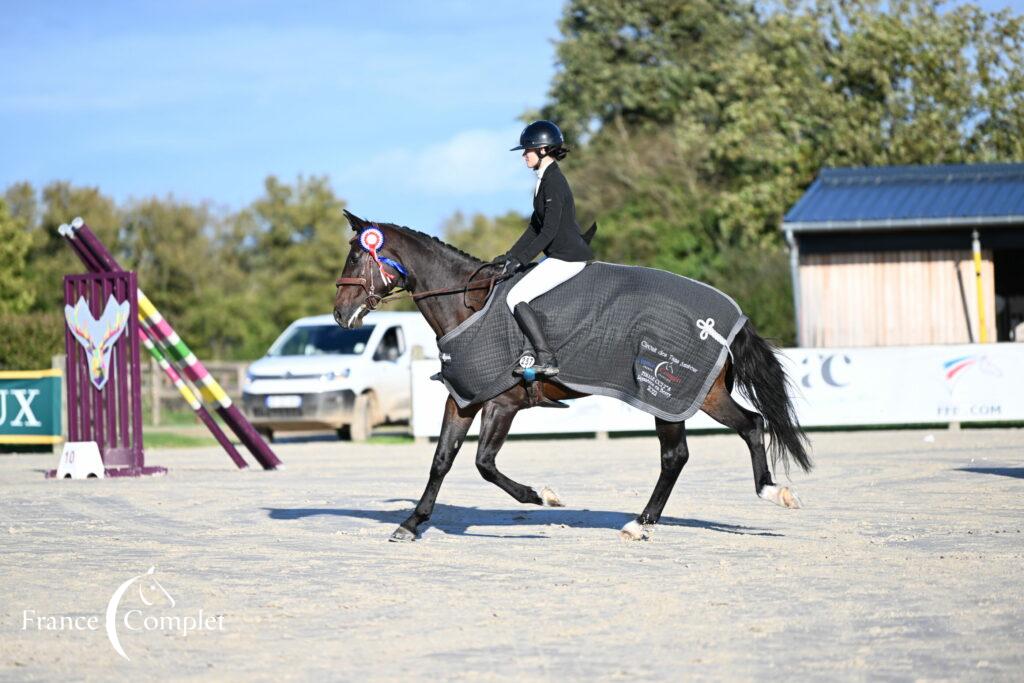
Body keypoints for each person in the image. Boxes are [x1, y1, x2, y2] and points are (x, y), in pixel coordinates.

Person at [497, 120, 594, 377]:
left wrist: (522, 260)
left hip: (567, 257)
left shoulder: (553, 182)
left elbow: (549, 232)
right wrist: (510, 256)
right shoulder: (544, 179)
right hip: (559, 255)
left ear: (543, 150)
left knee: (514, 298)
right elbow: (534, 227)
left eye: (527, 150)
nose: (523, 155)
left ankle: (546, 358)